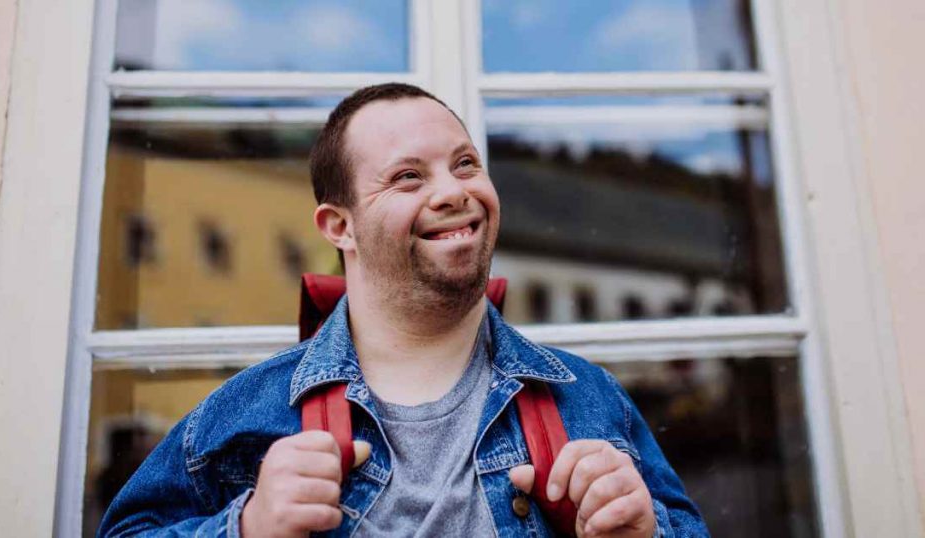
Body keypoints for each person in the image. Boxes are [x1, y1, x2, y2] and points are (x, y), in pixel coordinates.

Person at [98, 83, 708, 537]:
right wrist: (246, 527)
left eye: (465, 163)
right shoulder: (242, 417)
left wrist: (649, 530)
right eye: (408, 177)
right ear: (340, 227)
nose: (454, 191)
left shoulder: (591, 401)